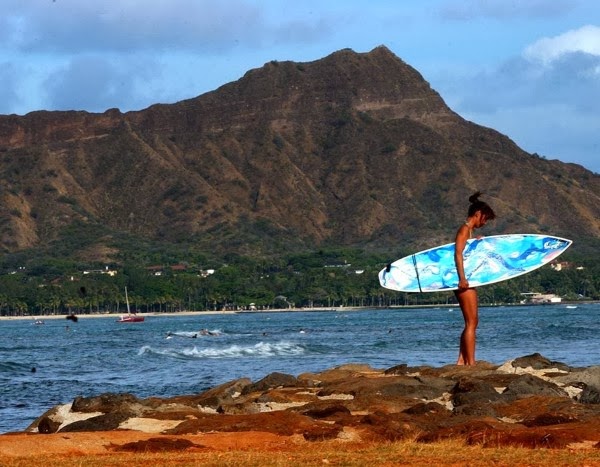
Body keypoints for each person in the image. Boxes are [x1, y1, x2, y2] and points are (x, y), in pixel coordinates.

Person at [454, 191, 496, 366]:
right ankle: (471, 363)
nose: (484, 222)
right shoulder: (464, 229)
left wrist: (475, 243)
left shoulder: (469, 232)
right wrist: (462, 279)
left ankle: (462, 360)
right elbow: (458, 254)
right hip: (464, 282)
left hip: (466, 280)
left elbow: (466, 252)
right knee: (472, 322)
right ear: (477, 214)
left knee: (470, 322)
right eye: (484, 218)